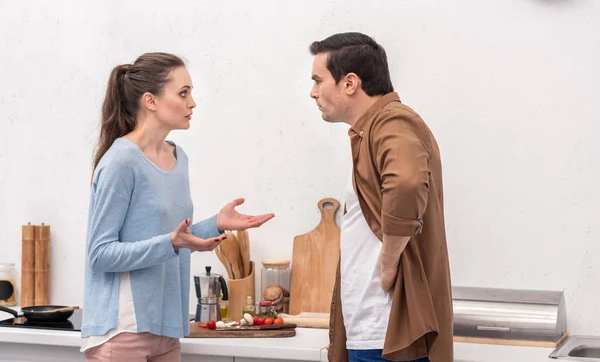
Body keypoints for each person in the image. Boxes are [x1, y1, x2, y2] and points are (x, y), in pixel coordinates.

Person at [81, 52, 274, 361]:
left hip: (167, 327)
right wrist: (170, 242)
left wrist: (217, 223)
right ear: (150, 101)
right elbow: (100, 254)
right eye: (183, 93)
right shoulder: (120, 161)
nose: (192, 102)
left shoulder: (177, 157)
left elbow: (171, 237)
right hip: (124, 328)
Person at [309, 33, 453, 362]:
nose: (313, 92)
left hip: (387, 332)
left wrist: (387, 265)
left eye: (318, 80)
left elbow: (406, 183)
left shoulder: (393, 121)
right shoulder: (373, 129)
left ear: (349, 83)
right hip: (375, 331)